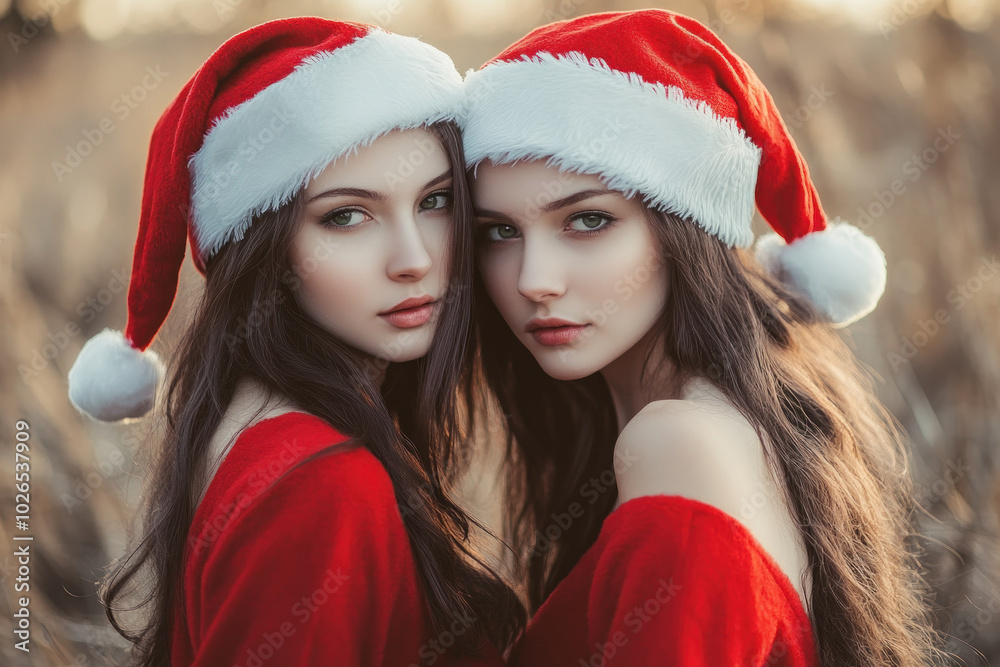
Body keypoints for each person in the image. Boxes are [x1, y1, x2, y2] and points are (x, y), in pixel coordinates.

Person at [460, 9, 943, 666]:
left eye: (588, 220)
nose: (533, 279)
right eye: (499, 231)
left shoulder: (678, 441)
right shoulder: (738, 416)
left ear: (684, 228)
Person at [67, 17, 523, 666]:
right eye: (346, 215)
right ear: (266, 251)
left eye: (436, 200)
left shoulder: (254, 416)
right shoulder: (319, 484)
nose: (414, 258)